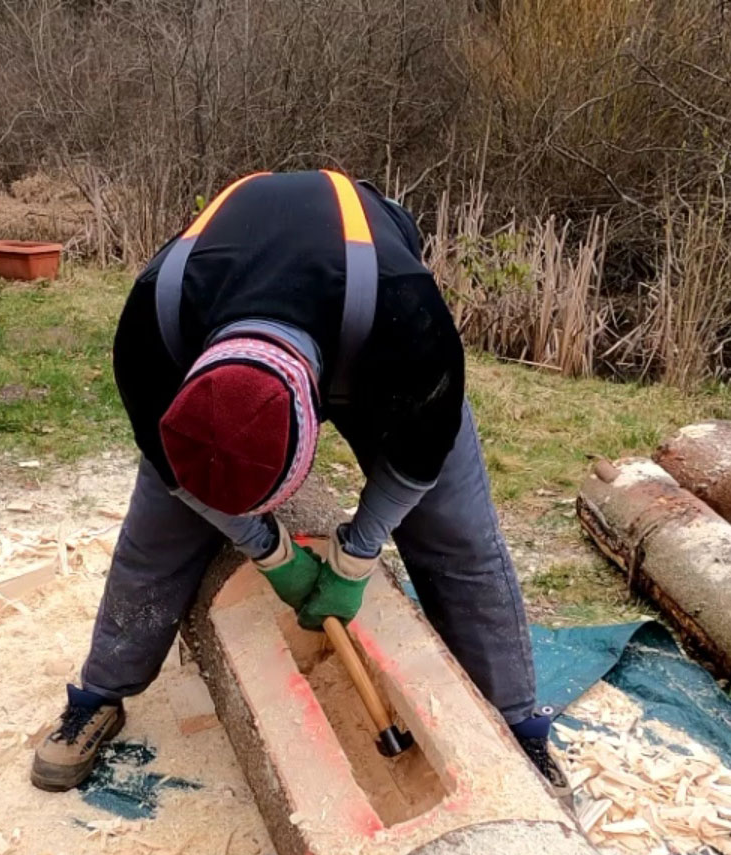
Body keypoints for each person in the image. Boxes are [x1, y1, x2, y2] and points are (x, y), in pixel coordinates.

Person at [30, 169, 567, 799]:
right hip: (217, 330)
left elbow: (417, 463)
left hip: (371, 337)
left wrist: (359, 552)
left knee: (458, 537)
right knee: (155, 539)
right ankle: (100, 692)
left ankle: (517, 722)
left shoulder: (409, 317)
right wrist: (269, 550)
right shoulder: (150, 332)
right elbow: (181, 478)